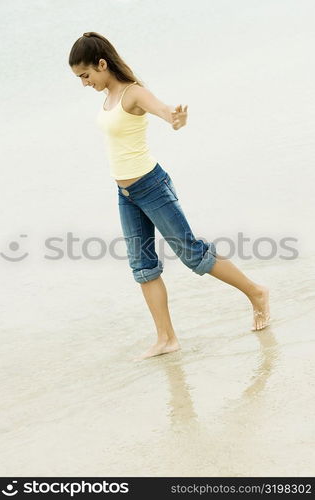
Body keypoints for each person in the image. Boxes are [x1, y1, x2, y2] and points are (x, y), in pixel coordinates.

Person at [69, 31, 271, 360]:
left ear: (102, 64)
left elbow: (164, 112)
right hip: (126, 193)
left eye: (86, 75)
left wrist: (176, 118)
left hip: (151, 186)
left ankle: (257, 292)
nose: (84, 83)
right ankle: (166, 338)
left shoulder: (133, 93)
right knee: (143, 267)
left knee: (193, 254)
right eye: (80, 78)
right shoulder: (107, 98)